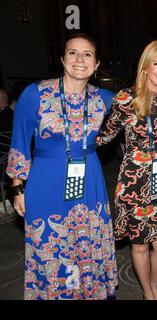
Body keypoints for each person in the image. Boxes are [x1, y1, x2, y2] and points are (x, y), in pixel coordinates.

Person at [6, 33, 118, 300]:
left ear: (97, 64)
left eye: (87, 54)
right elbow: (20, 142)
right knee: (50, 249)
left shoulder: (106, 98)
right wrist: (17, 188)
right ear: (62, 59)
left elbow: (141, 113)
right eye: (72, 53)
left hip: (89, 182)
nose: (80, 60)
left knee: (88, 244)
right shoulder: (35, 94)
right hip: (46, 183)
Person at [96, 40, 157, 300]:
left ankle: (154, 283)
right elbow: (103, 136)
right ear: (145, 67)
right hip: (134, 181)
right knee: (141, 245)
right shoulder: (126, 98)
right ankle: (148, 291)